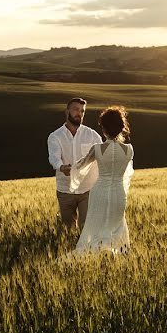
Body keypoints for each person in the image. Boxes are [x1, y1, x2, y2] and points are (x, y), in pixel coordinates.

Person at [72, 106, 134, 254]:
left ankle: (96, 255)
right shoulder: (129, 150)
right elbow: (127, 174)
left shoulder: (98, 149)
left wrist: (69, 168)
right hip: (119, 193)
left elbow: (80, 166)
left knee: (96, 226)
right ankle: (116, 255)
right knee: (116, 225)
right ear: (121, 128)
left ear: (103, 128)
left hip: (99, 192)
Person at [47, 98, 103, 229]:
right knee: (68, 229)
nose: (79, 113)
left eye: (82, 111)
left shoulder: (92, 135)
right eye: (76, 110)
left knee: (86, 228)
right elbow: (54, 157)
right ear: (67, 112)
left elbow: (102, 157)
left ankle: (86, 250)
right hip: (65, 189)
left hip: (87, 190)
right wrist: (61, 167)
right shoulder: (55, 136)